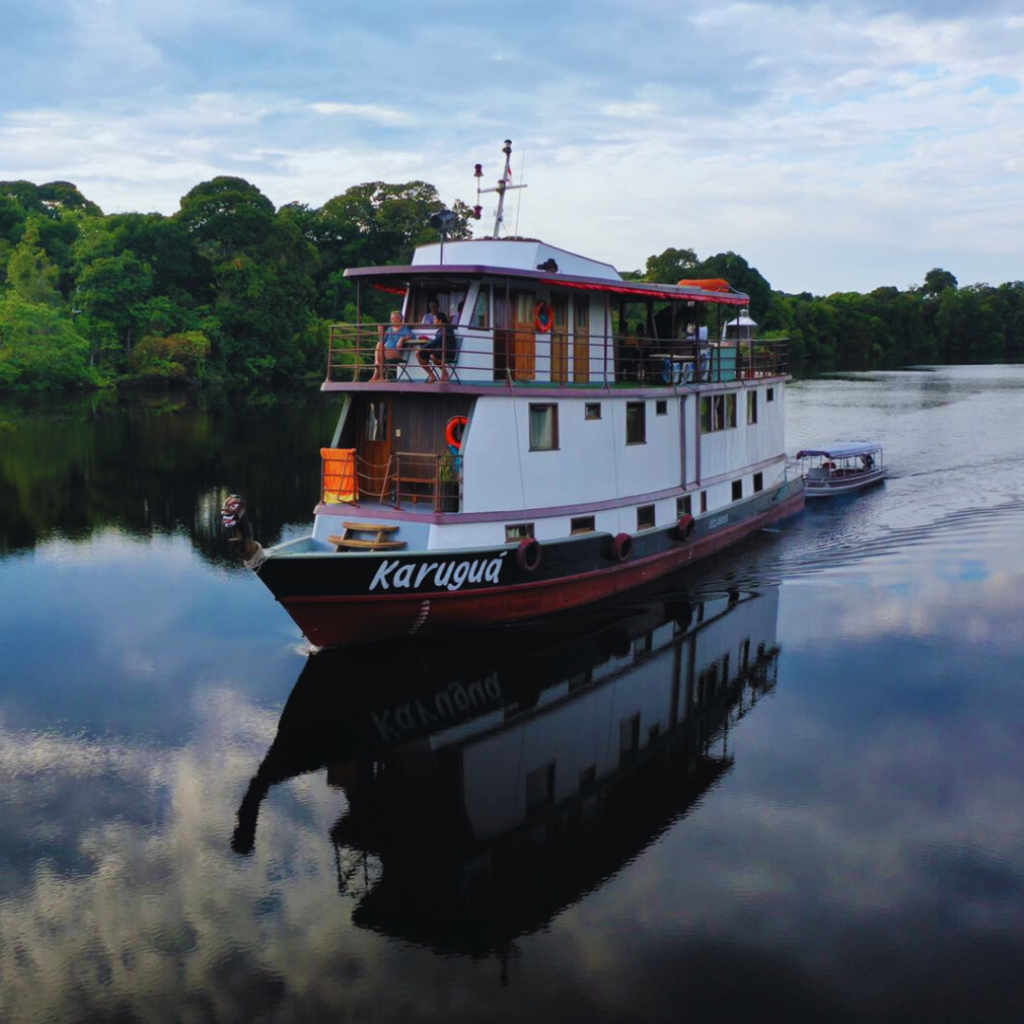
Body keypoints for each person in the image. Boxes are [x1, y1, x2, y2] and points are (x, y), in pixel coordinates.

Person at [369, 311, 414, 381]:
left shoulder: (404, 329)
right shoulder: (389, 329)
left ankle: (377, 374)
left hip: (396, 352)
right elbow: (382, 340)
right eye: (391, 318)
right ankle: (378, 368)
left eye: (393, 318)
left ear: (399, 319)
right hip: (385, 351)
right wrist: (380, 333)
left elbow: (411, 336)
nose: (391, 320)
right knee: (379, 344)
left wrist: (402, 339)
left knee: (381, 350)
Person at [416, 311, 455, 382]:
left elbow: (438, 340)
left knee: (432, 356)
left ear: (440, 320)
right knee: (418, 354)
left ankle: (445, 374)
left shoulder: (447, 328)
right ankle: (432, 376)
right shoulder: (439, 331)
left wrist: (425, 347)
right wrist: (426, 349)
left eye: (435, 319)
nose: (433, 321)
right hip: (440, 351)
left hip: (448, 351)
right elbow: (437, 342)